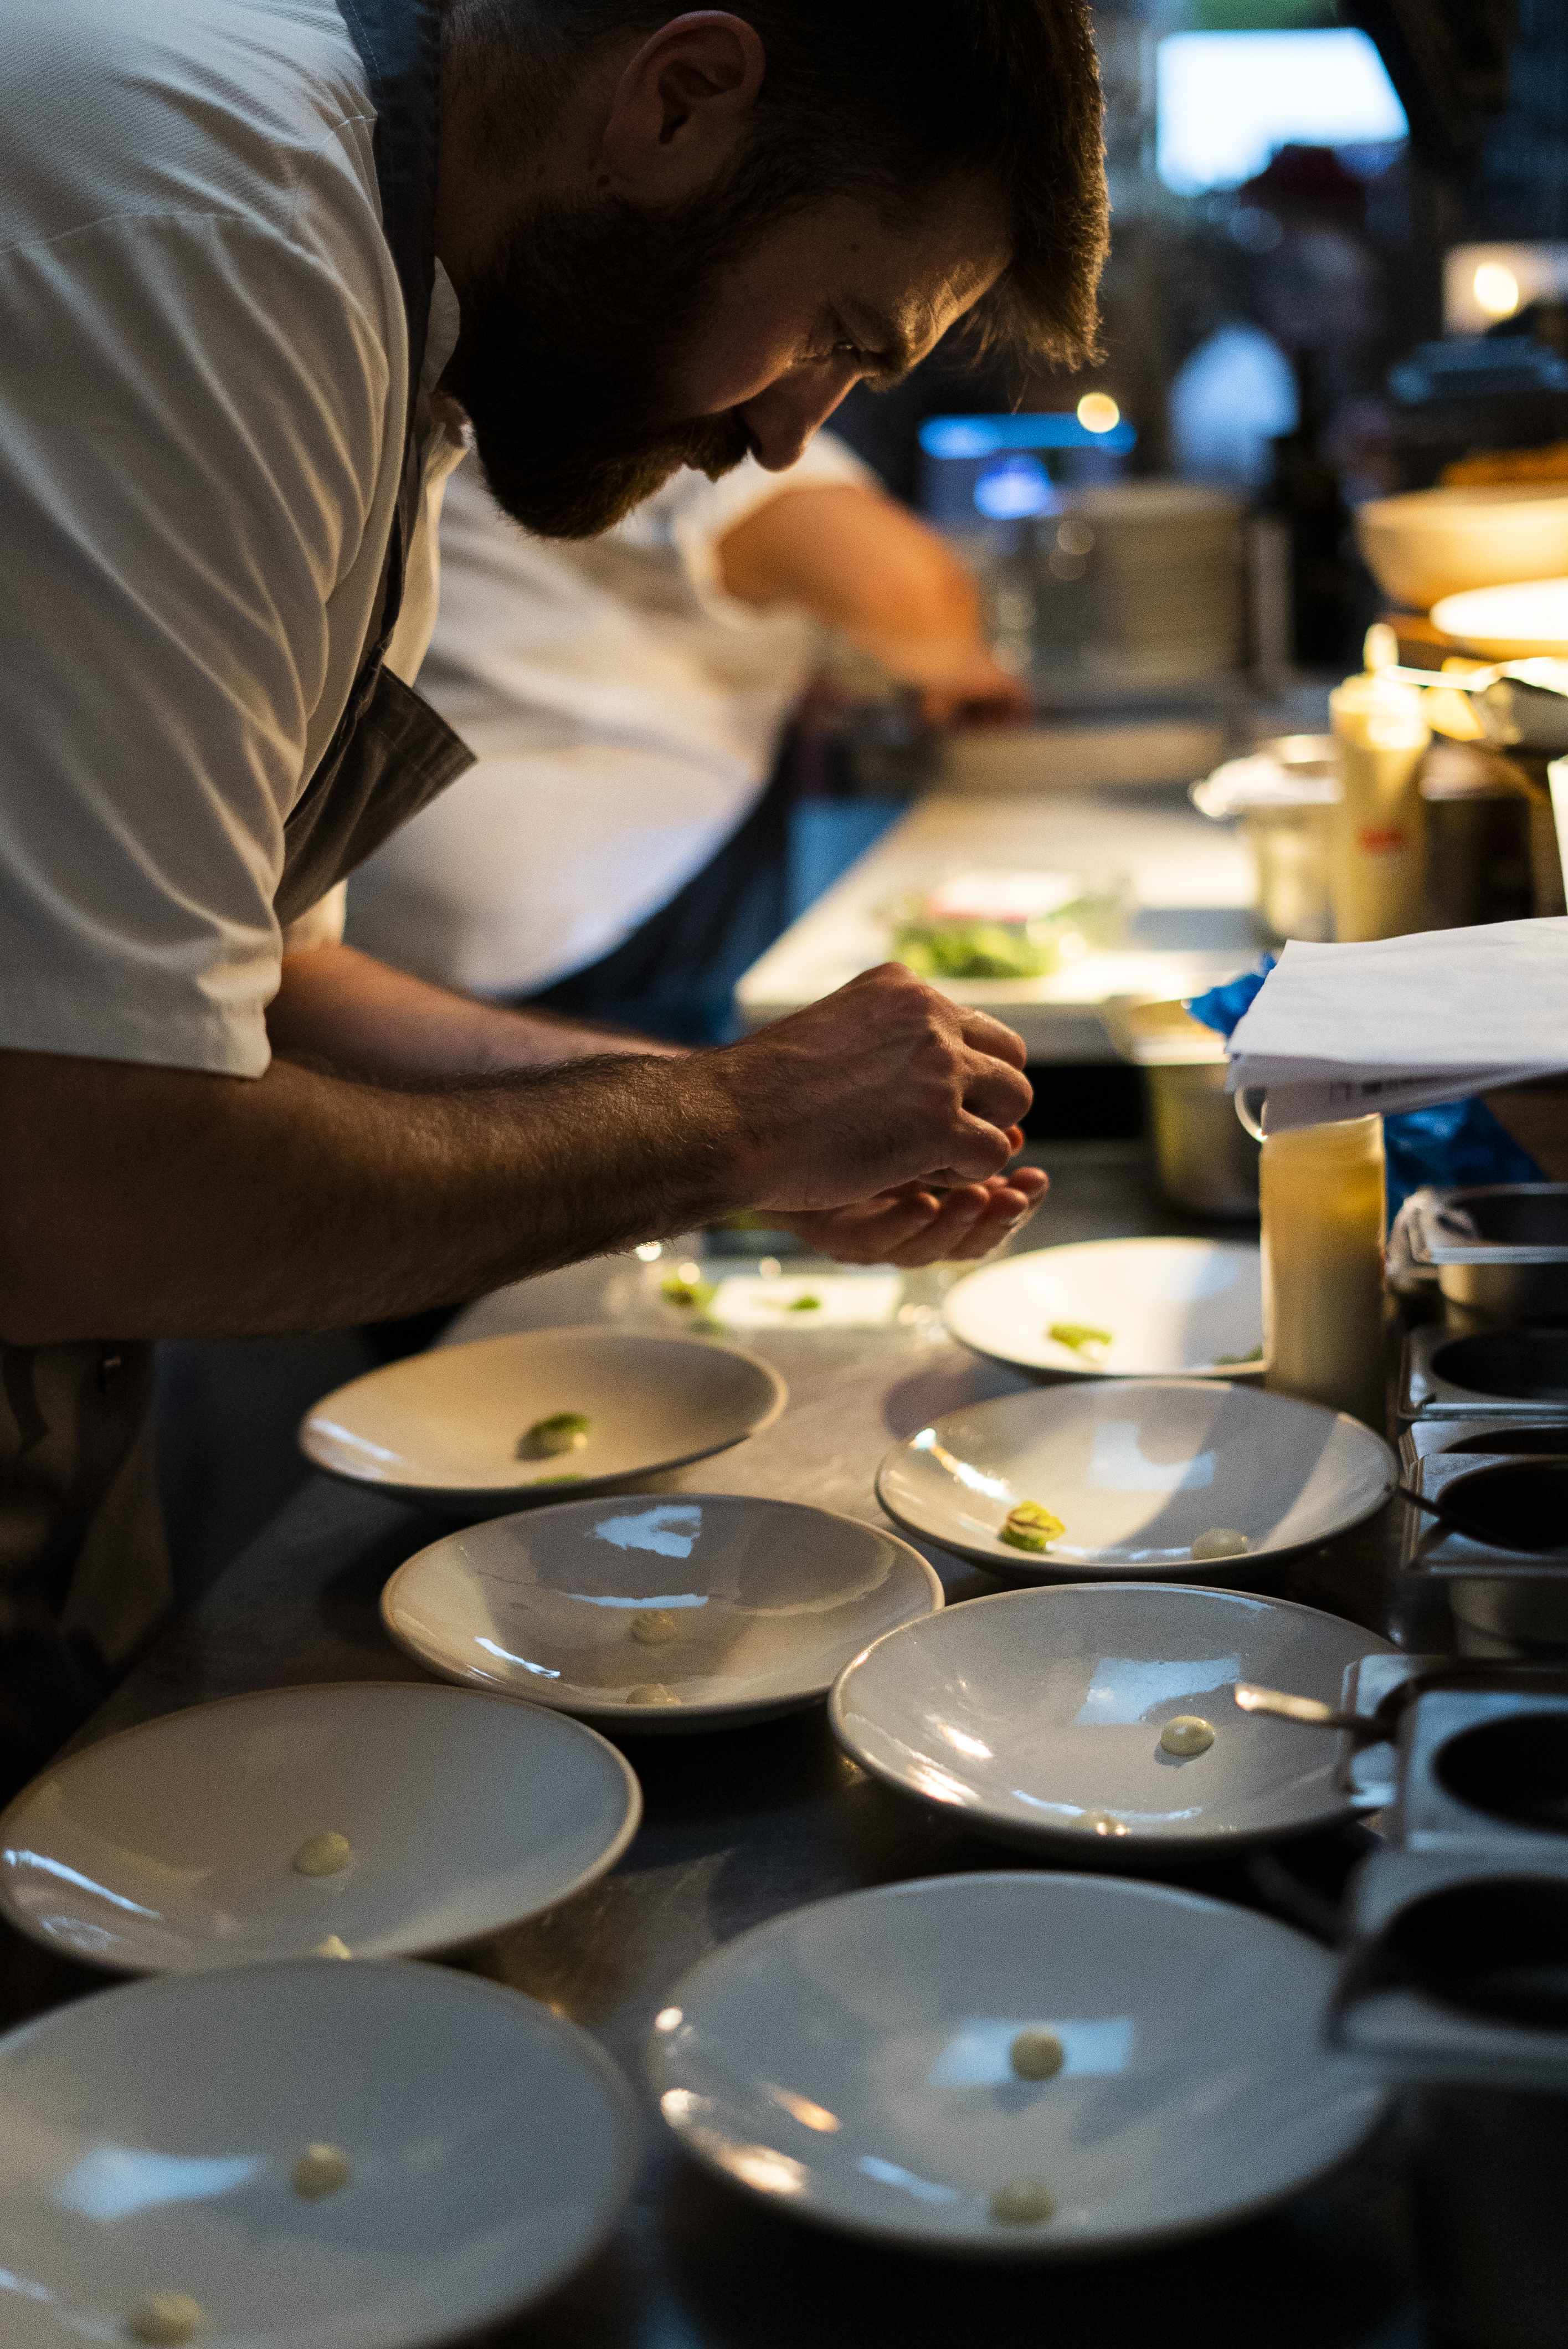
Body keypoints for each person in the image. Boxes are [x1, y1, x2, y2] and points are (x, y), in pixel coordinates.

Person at [0, 0, 1107, 1786]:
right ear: (677, 97)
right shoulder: (222, 224)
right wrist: (728, 1132)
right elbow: (71, 1167)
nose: (780, 436)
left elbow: (278, 987)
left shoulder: (397, 290)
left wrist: (725, 1115)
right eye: (833, 333)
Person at [345, 434, 1031, 1035]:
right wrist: (967, 670)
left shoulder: (488, 362)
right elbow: (910, 590)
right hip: (591, 939)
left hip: (381, 926)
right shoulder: (684, 394)